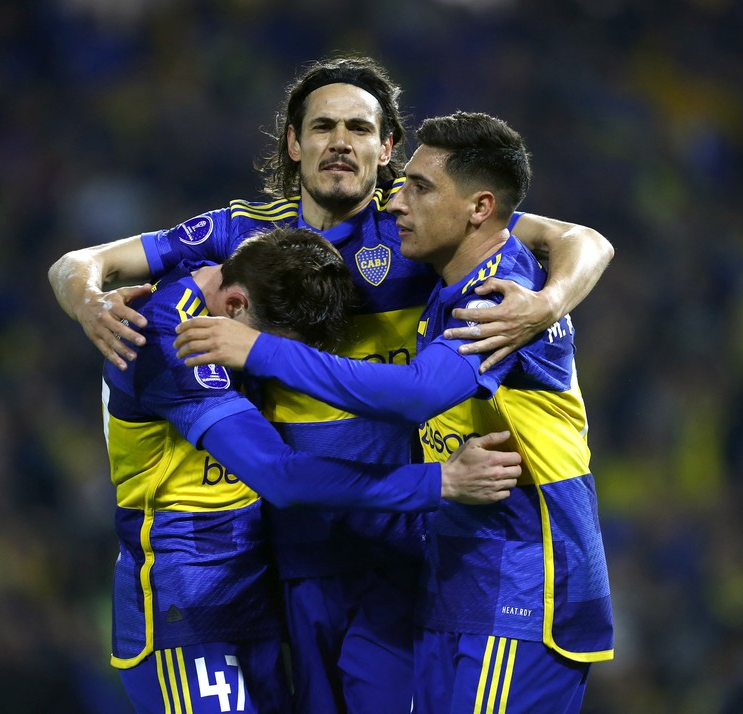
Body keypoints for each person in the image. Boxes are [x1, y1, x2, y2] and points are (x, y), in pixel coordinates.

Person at [49, 55, 613, 713]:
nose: (340, 141)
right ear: (294, 143)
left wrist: (549, 302)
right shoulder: (242, 233)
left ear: (388, 147)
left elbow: (581, 239)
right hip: (295, 556)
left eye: (358, 127)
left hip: (403, 549)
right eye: (322, 126)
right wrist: (86, 298)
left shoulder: (420, 228)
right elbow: (82, 262)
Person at [103, 226, 522, 714]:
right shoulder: (167, 338)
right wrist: (441, 481)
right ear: (236, 307)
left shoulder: (233, 279)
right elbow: (282, 476)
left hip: (253, 591)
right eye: (266, 348)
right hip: (188, 602)